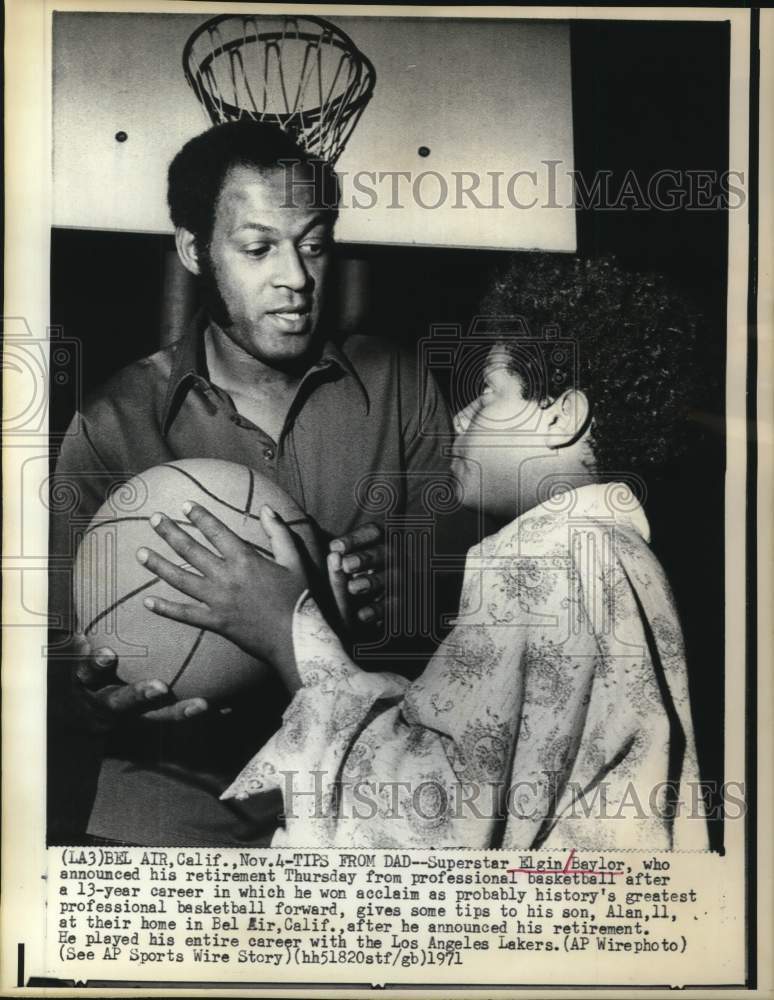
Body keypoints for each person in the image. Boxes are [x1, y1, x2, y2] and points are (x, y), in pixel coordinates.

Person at [138, 254, 710, 850]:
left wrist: (289, 633)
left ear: (562, 416)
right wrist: (328, 634)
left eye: (489, 390)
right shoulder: (618, 557)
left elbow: (426, 818)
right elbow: (479, 749)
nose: (463, 414)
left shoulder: (540, 563)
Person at [48, 121, 453, 846]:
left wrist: (411, 594)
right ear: (195, 251)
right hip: (167, 802)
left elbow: (464, 627)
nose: (296, 279)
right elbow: (50, 660)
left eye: (315, 244)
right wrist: (85, 697)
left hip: (361, 796)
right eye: (259, 248)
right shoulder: (112, 421)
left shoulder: (405, 385)